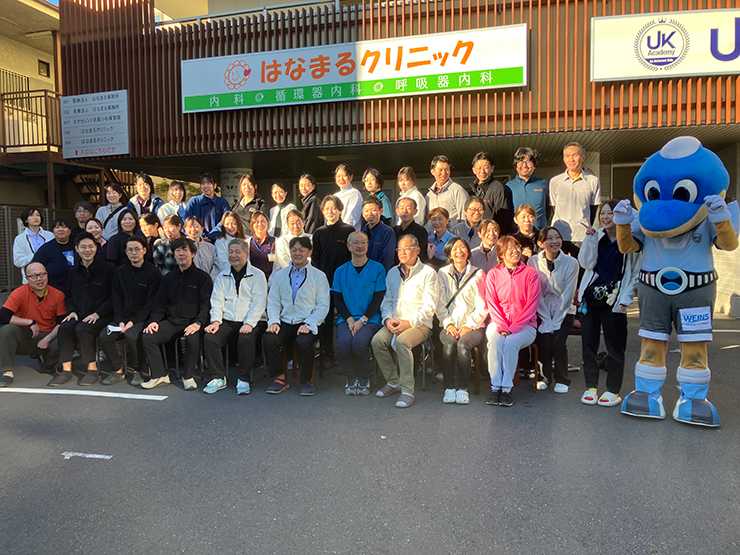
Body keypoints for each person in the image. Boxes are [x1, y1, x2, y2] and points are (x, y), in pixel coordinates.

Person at [578, 200, 640, 407]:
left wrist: (626, 298)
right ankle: (591, 387)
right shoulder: (597, 237)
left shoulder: (630, 242)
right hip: (591, 298)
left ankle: (613, 390)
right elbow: (586, 263)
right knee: (589, 343)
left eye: (610, 213)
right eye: (602, 213)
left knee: (615, 345)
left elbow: (634, 274)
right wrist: (589, 239)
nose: (605, 217)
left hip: (615, 300)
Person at [372, 235, 439, 408]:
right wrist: (387, 319)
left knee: (402, 342)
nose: (402, 252)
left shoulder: (428, 273)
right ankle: (393, 381)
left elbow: (430, 307)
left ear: (417, 250)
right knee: (377, 341)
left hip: (420, 324)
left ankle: (407, 390)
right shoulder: (393, 272)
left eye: (407, 248)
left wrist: (409, 323)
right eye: (399, 249)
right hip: (395, 320)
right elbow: (387, 300)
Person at [141, 238, 212, 390]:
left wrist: (198, 322)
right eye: (177, 251)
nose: (181, 254)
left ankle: (188, 377)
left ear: (193, 254)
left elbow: (205, 304)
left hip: (193, 322)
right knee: (148, 336)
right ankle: (159, 375)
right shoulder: (168, 278)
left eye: (185, 250)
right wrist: (154, 321)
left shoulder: (202, 277)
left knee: (192, 340)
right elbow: (160, 303)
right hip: (172, 322)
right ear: (174, 255)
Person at [264, 236, 330, 396]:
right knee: (270, 339)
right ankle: (280, 379)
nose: (297, 253)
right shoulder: (280, 275)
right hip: (286, 321)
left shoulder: (319, 276)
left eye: (301, 250)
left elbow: (323, 305)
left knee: (303, 341)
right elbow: (273, 302)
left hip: (309, 321)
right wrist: (274, 321)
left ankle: (307, 381)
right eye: (294, 250)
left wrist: (309, 323)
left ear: (309, 252)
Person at [49, 232, 115, 387]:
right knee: (65, 327)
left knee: (83, 328)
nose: (87, 250)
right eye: (83, 247)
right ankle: (66, 370)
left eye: (91, 246)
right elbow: (68, 294)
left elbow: (114, 297)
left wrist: (98, 313)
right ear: (77, 249)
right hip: (79, 313)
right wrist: (71, 311)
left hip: (103, 315)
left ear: (96, 248)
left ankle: (92, 370)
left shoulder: (108, 269)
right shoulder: (73, 271)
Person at [203, 239, 268, 395]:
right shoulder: (222, 276)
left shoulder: (258, 275)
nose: (233, 255)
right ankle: (218, 377)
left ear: (247, 254)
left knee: (246, 339)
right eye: (230, 252)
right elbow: (217, 301)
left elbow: (259, 302)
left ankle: (244, 378)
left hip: (254, 320)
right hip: (228, 319)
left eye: (237, 252)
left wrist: (249, 323)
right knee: (210, 337)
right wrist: (216, 321)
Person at [483, 236, 540, 407]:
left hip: (526, 325)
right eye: (510, 248)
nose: (515, 251)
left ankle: (506, 389)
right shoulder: (493, 274)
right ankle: (495, 387)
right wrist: (502, 326)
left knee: (510, 343)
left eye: (517, 247)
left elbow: (532, 304)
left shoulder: (530, 273)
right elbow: (492, 303)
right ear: (501, 254)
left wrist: (514, 328)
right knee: (495, 342)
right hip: (498, 323)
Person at [99, 235, 161, 386]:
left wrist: (134, 321)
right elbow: (116, 298)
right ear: (126, 252)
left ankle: (138, 371)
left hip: (143, 318)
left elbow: (151, 302)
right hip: (122, 317)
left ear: (144, 250)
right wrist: (120, 320)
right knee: (105, 335)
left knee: (132, 335)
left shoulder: (153, 272)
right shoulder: (119, 272)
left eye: (137, 249)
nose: (134, 253)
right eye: (130, 250)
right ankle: (117, 370)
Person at [332, 231, 386, 395]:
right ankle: (351, 377)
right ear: (348, 246)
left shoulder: (378, 269)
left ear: (368, 246)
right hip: (347, 318)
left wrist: (363, 320)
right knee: (343, 345)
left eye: (363, 242)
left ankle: (363, 377)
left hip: (370, 319)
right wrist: (349, 319)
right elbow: (337, 298)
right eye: (355, 243)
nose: (359, 246)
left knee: (359, 343)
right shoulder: (340, 271)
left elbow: (378, 298)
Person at [528, 227, 579, 393]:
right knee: (543, 341)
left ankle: (562, 378)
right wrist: (546, 319)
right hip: (541, 309)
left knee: (558, 342)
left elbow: (568, 294)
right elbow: (536, 293)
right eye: (549, 238)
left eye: (557, 237)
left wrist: (556, 320)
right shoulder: (533, 262)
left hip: (564, 311)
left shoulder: (571, 263)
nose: (554, 241)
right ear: (540, 243)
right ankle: (544, 377)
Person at [436, 237, 487, 405]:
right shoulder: (442, 273)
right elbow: (439, 303)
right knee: (449, 344)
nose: (459, 251)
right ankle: (449, 387)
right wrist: (448, 323)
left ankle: (463, 388)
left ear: (468, 251)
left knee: (463, 345)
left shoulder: (478, 273)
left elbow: (482, 305)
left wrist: (469, 325)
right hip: (449, 325)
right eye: (455, 248)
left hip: (474, 326)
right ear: (449, 253)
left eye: (463, 247)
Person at [0, 263, 66, 387]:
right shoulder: (19, 293)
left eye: (42, 274)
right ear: (27, 278)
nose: (39, 279)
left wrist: (47, 339)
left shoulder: (58, 295)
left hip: (47, 334)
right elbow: (3, 316)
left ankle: (47, 362)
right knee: (7, 330)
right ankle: (7, 372)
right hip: (25, 335)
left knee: (65, 335)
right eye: (34, 276)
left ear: (47, 274)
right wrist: (30, 322)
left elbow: (61, 323)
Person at [311, 195, 355, 365]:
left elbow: (352, 258)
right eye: (327, 208)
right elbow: (315, 259)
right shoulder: (319, 232)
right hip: (324, 283)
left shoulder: (348, 230)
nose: (330, 211)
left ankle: (350, 355)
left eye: (333, 208)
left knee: (348, 316)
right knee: (326, 320)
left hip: (345, 283)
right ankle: (328, 355)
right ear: (322, 211)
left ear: (340, 210)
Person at [549, 142, 601, 256]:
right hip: (559, 235)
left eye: (575, 155)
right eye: (567, 156)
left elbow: (594, 209)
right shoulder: (555, 182)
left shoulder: (593, 181)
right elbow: (554, 208)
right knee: (559, 265)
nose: (571, 159)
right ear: (564, 159)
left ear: (583, 158)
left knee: (581, 265)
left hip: (582, 235)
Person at [505, 147, 550, 232]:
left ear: (534, 165)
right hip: (517, 234)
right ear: (516, 166)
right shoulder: (509, 186)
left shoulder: (543, 183)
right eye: (520, 161)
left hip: (540, 233)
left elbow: (548, 209)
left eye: (528, 161)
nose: (524, 165)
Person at [468, 152, 512, 233]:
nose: (482, 171)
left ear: (492, 168)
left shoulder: (498, 188)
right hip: (475, 235)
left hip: (491, 235)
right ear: (474, 170)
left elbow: (504, 219)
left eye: (486, 167)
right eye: (479, 168)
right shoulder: (472, 190)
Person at [32, 219, 75, 294]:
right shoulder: (46, 249)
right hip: (54, 290)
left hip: (77, 290)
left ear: (70, 231)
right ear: (53, 231)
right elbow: (35, 267)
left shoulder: (78, 246)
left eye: (64, 227)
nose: (61, 229)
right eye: (57, 227)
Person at [426, 155, 469, 229]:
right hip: (433, 235)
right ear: (432, 171)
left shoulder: (457, 190)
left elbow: (465, 217)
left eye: (447, 170)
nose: (444, 173)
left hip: (452, 235)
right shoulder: (429, 195)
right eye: (440, 170)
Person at [13, 207, 54, 284]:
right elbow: (18, 261)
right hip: (31, 279)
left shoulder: (50, 235)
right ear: (26, 220)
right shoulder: (20, 239)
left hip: (50, 277)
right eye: (31, 215)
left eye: (37, 215)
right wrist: (36, 256)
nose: (35, 217)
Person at [361, 196, 395, 272]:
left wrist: (376, 273)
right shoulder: (362, 233)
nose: (370, 214)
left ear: (381, 211)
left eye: (373, 210)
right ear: (363, 213)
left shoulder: (387, 232)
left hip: (380, 274)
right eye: (366, 211)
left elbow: (387, 259)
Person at [393, 197, 429, 264]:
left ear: (415, 211)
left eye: (408, 208)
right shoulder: (393, 231)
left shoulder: (421, 231)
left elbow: (422, 255)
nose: (405, 211)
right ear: (397, 211)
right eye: (402, 208)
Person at [184, 216, 220, 280]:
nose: (193, 229)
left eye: (196, 226)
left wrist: (209, 281)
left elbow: (216, 266)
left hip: (211, 283)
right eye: (190, 227)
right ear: (185, 229)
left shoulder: (211, 247)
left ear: (202, 228)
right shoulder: (183, 248)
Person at [247, 210, 276, 282]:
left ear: (268, 223)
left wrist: (271, 282)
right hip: (252, 282)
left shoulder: (275, 241)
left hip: (271, 282)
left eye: (263, 221)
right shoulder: (247, 243)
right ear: (252, 225)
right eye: (257, 222)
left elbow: (278, 266)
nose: (260, 224)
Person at [333, 163, 363, 230]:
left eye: (344, 175)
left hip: (349, 232)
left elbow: (352, 217)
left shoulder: (355, 193)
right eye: (338, 176)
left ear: (351, 177)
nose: (341, 179)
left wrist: (341, 230)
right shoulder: (334, 196)